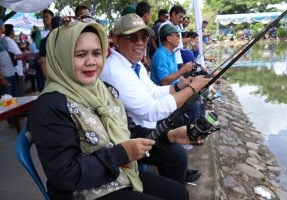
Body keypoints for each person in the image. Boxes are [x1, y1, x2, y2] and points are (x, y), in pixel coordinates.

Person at [27, 19, 189, 200]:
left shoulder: (103, 90)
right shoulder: (49, 105)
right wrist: (121, 153)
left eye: (97, 53)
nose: (91, 62)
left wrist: (168, 136)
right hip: (81, 192)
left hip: (117, 175)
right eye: (80, 55)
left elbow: (130, 131)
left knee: (180, 193)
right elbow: (65, 175)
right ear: (61, 56)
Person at [100, 13, 210, 183]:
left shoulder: (135, 65)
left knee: (181, 125)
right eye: (132, 37)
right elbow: (150, 111)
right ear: (115, 39)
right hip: (129, 135)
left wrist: (179, 87)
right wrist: (192, 88)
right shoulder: (114, 70)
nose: (140, 42)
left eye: (143, 36)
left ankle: (177, 173)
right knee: (176, 154)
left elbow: (152, 91)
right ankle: (176, 177)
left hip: (145, 124)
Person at [3, 24, 25, 96]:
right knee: (18, 96)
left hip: (13, 71)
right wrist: (25, 54)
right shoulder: (9, 41)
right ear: (12, 31)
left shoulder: (5, 40)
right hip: (16, 71)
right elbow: (18, 55)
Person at [0, 19, 17, 97]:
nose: (5, 27)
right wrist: (0, 78)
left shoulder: (3, 40)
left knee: (14, 100)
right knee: (7, 102)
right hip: (5, 77)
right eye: (3, 25)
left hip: (11, 74)